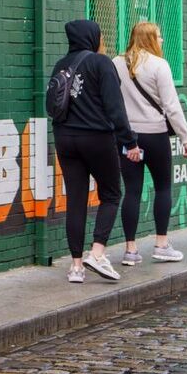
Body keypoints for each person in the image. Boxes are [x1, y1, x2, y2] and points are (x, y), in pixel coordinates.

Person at [50, 19, 141, 283]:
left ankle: (76, 267)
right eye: (100, 36)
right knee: (112, 194)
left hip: (65, 138)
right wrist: (130, 142)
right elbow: (115, 108)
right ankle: (97, 252)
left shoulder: (61, 65)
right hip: (97, 138)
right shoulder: (102, 63)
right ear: (92, 38)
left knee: (75, 200)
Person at [114, 21, 187, 265]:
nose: (162, 40)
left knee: (132, 191)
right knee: (162, 188)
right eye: (159, 36)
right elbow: (171, 106)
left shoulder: (117, 63)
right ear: (149, 38)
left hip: (128, 137)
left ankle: (130, 250)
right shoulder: (160, 65)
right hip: (155, 135)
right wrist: (186, 138)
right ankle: (161, 244)